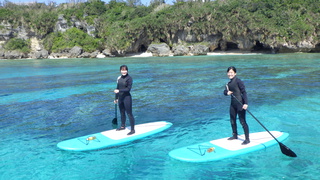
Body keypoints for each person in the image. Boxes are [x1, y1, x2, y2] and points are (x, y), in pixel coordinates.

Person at [223, 66, 250, 145]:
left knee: (242, 122)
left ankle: (247, 139)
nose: (230, 74)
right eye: (229, 72)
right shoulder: (228, 84)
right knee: (232, 120)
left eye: (231, 72)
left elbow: (244, 92)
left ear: (235, 73)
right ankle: (235, 135)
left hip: (240, 104)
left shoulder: (238, 81)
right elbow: (225, 91)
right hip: (233, 105)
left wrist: (246, 103)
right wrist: (226, 93)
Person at [114, 65, 135, 135]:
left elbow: (128, 89)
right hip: (120, 98)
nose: (124, 71)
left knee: (129, 114)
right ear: (120, 71)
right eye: (122, 70)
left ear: (127, 70)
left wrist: (119, 90)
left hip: (127, 98)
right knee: (122, 113)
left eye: (125, 70)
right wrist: (116, 98)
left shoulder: (129, 78)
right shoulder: (119, 78)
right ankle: (123, 126)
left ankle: (132, 130)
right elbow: (117, 88)